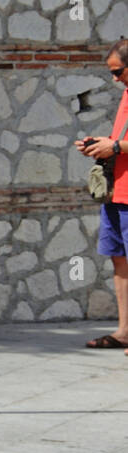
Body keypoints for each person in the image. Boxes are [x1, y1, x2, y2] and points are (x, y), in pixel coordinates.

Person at [75, 38, 128, 349]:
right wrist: (101, 143)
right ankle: (124, 331)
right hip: (116, 192)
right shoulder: (125, 95)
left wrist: (116, 146)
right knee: (119, 262)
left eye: (118, 71)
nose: (114, 78)